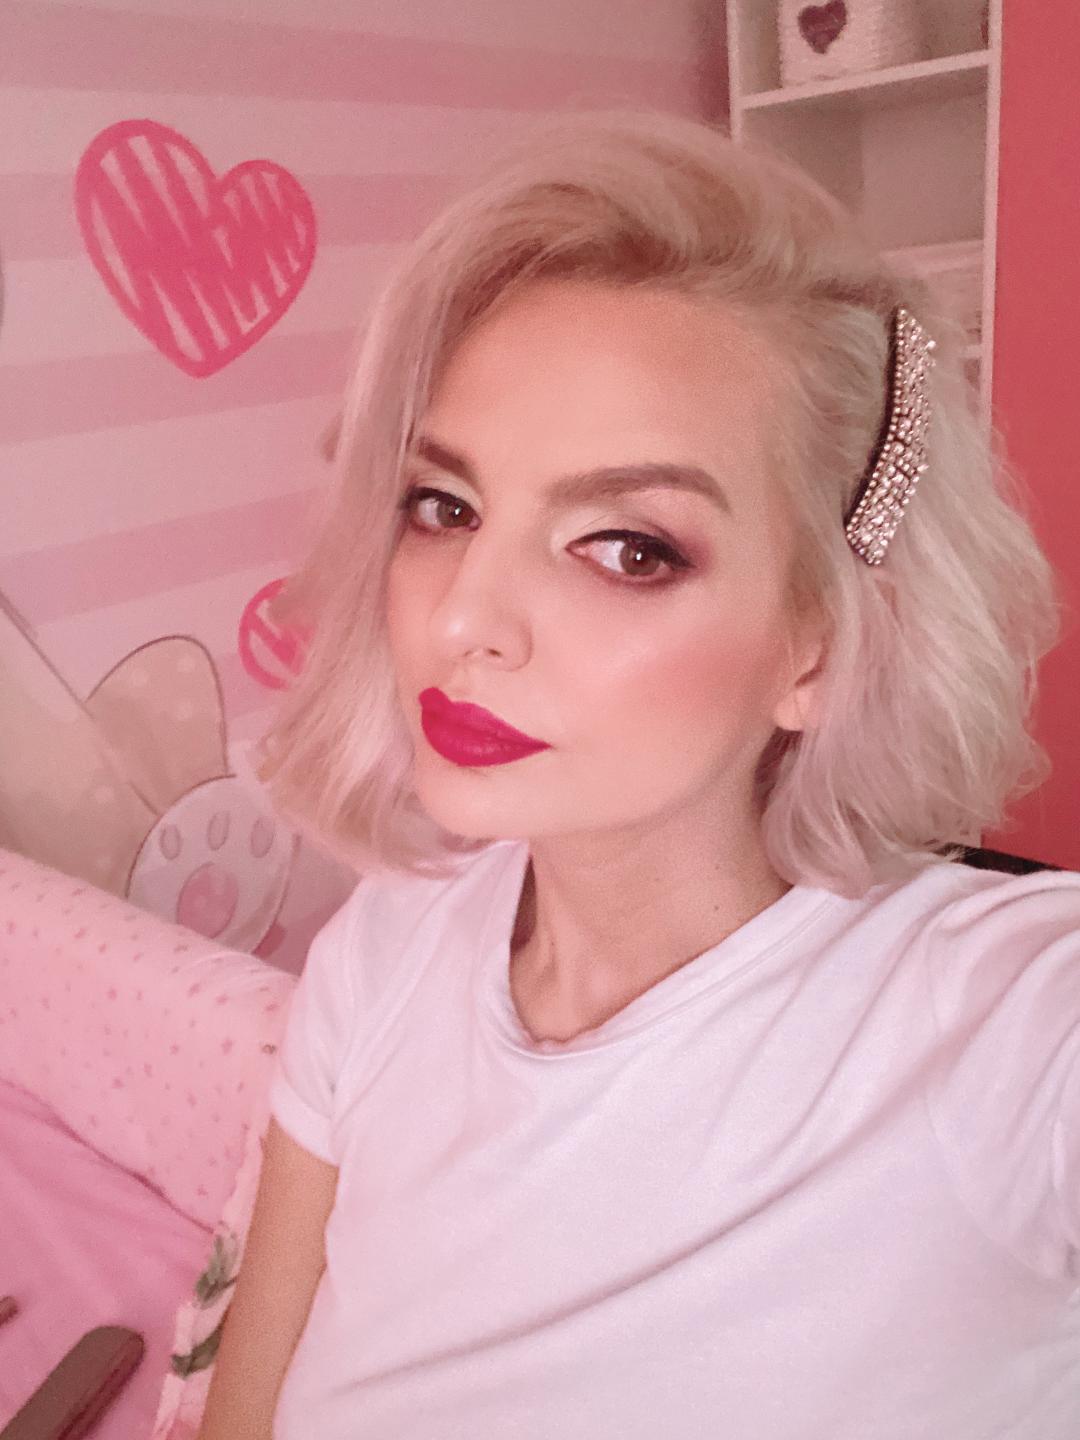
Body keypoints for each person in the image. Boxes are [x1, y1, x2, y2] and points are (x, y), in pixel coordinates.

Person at [195, 109, 1080, 1439]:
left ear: (819, 646)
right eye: (444, 507)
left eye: (627, 548)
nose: (461, 619)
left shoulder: (1004, 1033)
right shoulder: (379, 960)